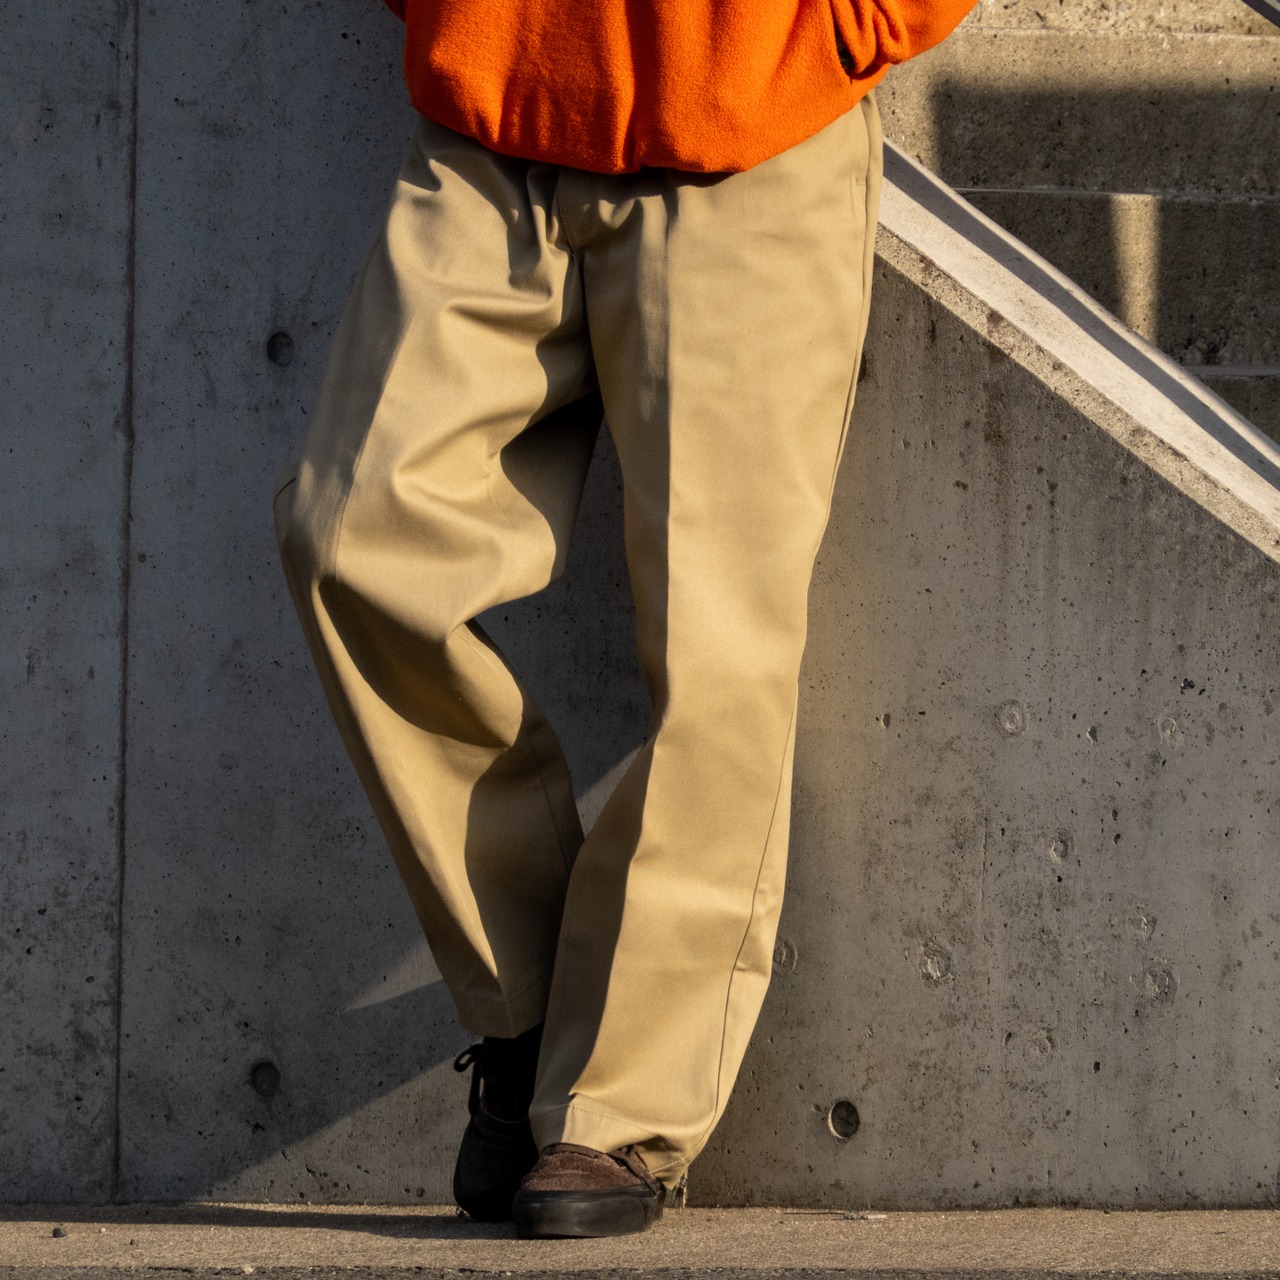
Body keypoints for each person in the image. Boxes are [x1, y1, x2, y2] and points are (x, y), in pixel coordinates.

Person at [274, 0, 974, 1239]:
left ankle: (617, 1112)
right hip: (495, 105)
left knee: (720, 648)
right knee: (354, 542)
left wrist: (846, 23)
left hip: (751, 111)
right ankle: (531, 1011)